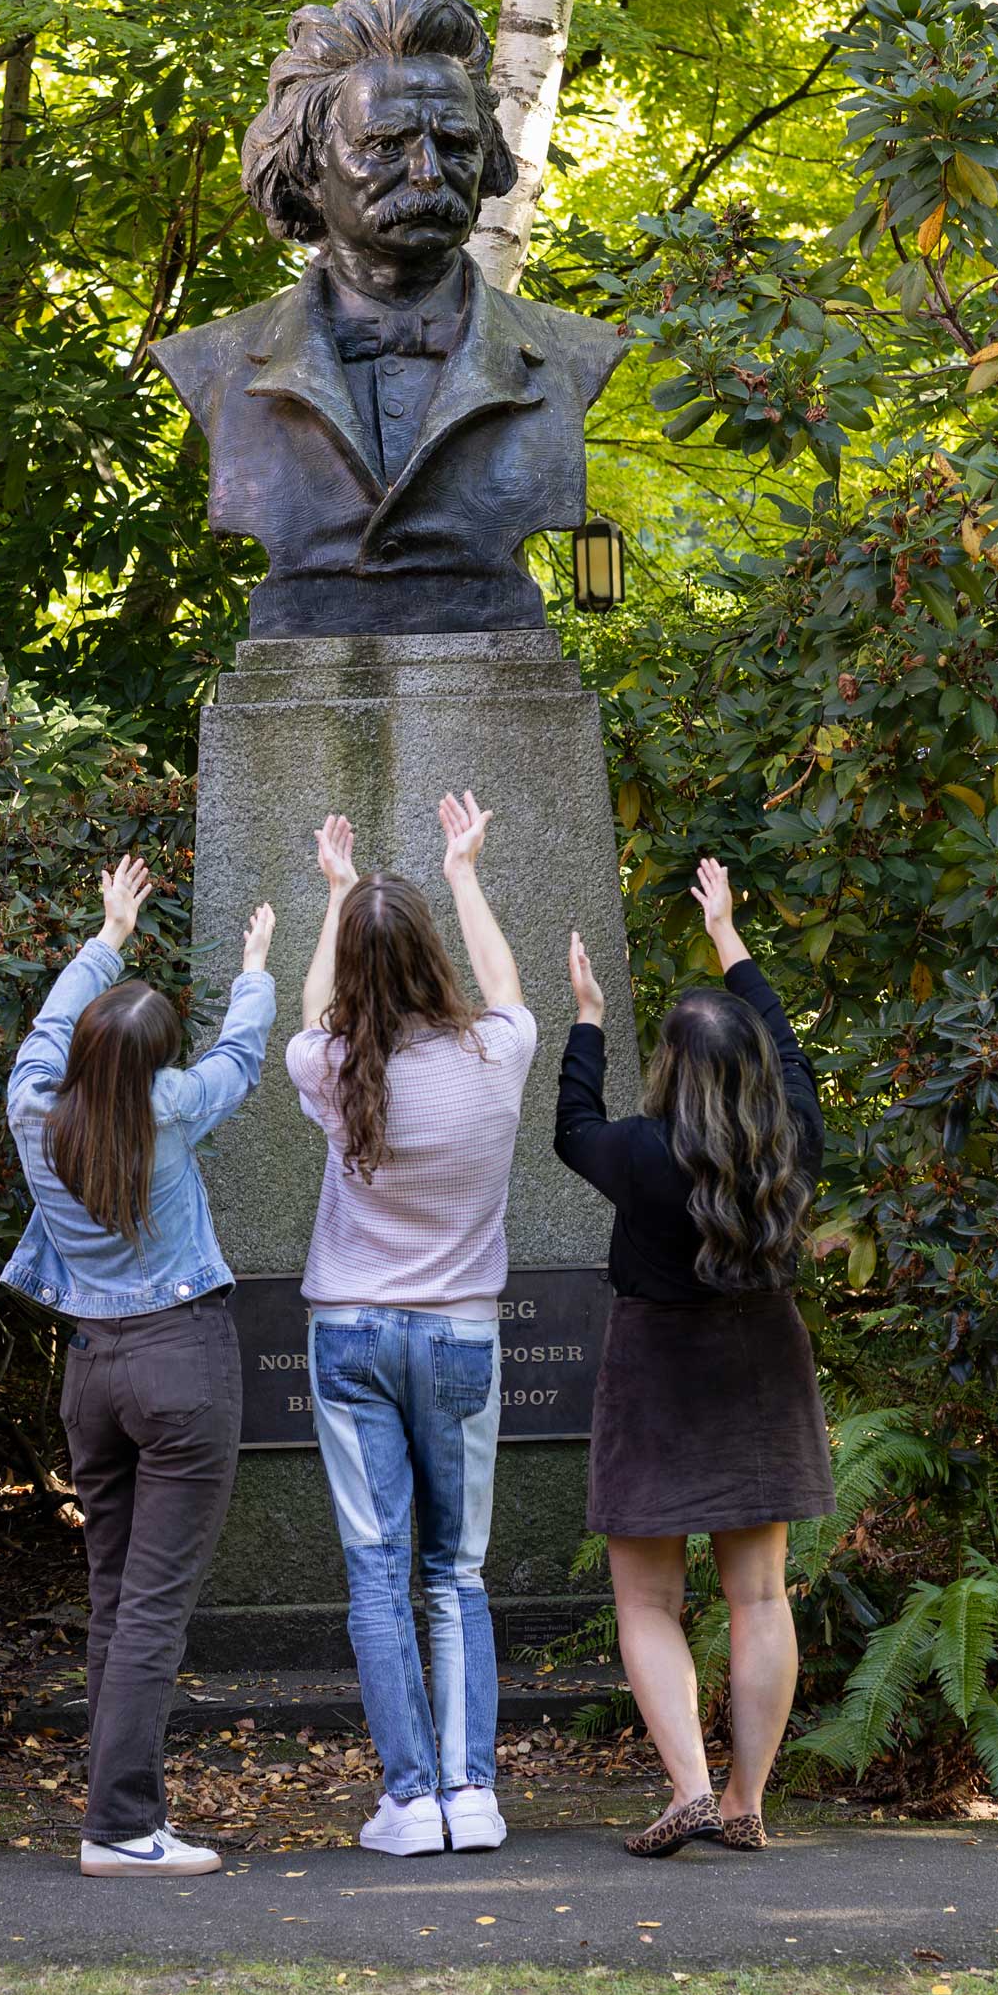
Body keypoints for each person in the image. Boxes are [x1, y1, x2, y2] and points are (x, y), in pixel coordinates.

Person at [4, 857, 276, 1878]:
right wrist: (254, 967)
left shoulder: (34, 1106)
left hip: (90, 1372)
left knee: (118, 1594)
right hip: (179, 1365)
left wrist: (108, 935)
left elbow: (44, 1032)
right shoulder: (172, 1107)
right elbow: (242, 1055)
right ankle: (120, 1827)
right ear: (157, 1066)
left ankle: (115, 1813)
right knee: (151, 1602)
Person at [554, 858, 831, 1855]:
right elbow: (790, 1055)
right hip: (759, 1362)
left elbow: (568, 1126)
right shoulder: (789, 1139)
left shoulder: (635, 1153)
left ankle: (689, 1789)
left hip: (655, 1371)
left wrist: (585, 1016)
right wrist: (729, 938)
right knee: (757, 1594)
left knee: (646, 1597)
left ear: (666, 1069)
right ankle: (747, 1802)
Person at [290, 792, 535, 1856]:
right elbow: (509, 987)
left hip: (346, 1333)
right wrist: (465, 871)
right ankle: (470, 1794)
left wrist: (336, 899)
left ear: (352, 969)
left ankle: (409, 1800)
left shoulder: (330, 1068)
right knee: (456, 1571)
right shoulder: (498, 1055)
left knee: (377, 1572)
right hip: (460, 1338)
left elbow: (308, 1017)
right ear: (433, 958)